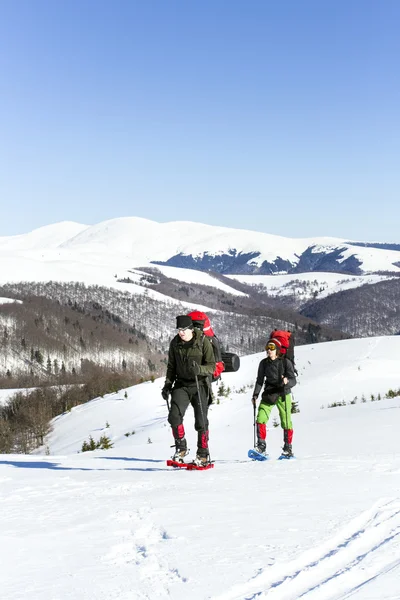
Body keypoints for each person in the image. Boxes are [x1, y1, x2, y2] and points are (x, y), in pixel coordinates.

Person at [161, 315, 216, 465]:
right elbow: (171, 367)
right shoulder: (175, 343)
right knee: (174, 416)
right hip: (181, 384)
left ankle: (203, 453)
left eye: (184, 329)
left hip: (200, 384)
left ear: (191, 329)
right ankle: (181, 447)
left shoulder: (203, 342)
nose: (181, 332)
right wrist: (167, 385)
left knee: (201, 421)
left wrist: (199, 369)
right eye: (179, 329)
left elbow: (212, 366)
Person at [251, 338, 297, 457]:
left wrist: (287, 381)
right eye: (267, 348)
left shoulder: (286, 362)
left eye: (272, 348)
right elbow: (260, 380)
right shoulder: (263, 363)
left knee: (286, 421)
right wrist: (255, 394)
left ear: (277, 350)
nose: (269, 350)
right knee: (261, 417)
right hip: (269, 393)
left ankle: (288, 448)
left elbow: (293, 380)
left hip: (283, 393)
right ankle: (261, 446)